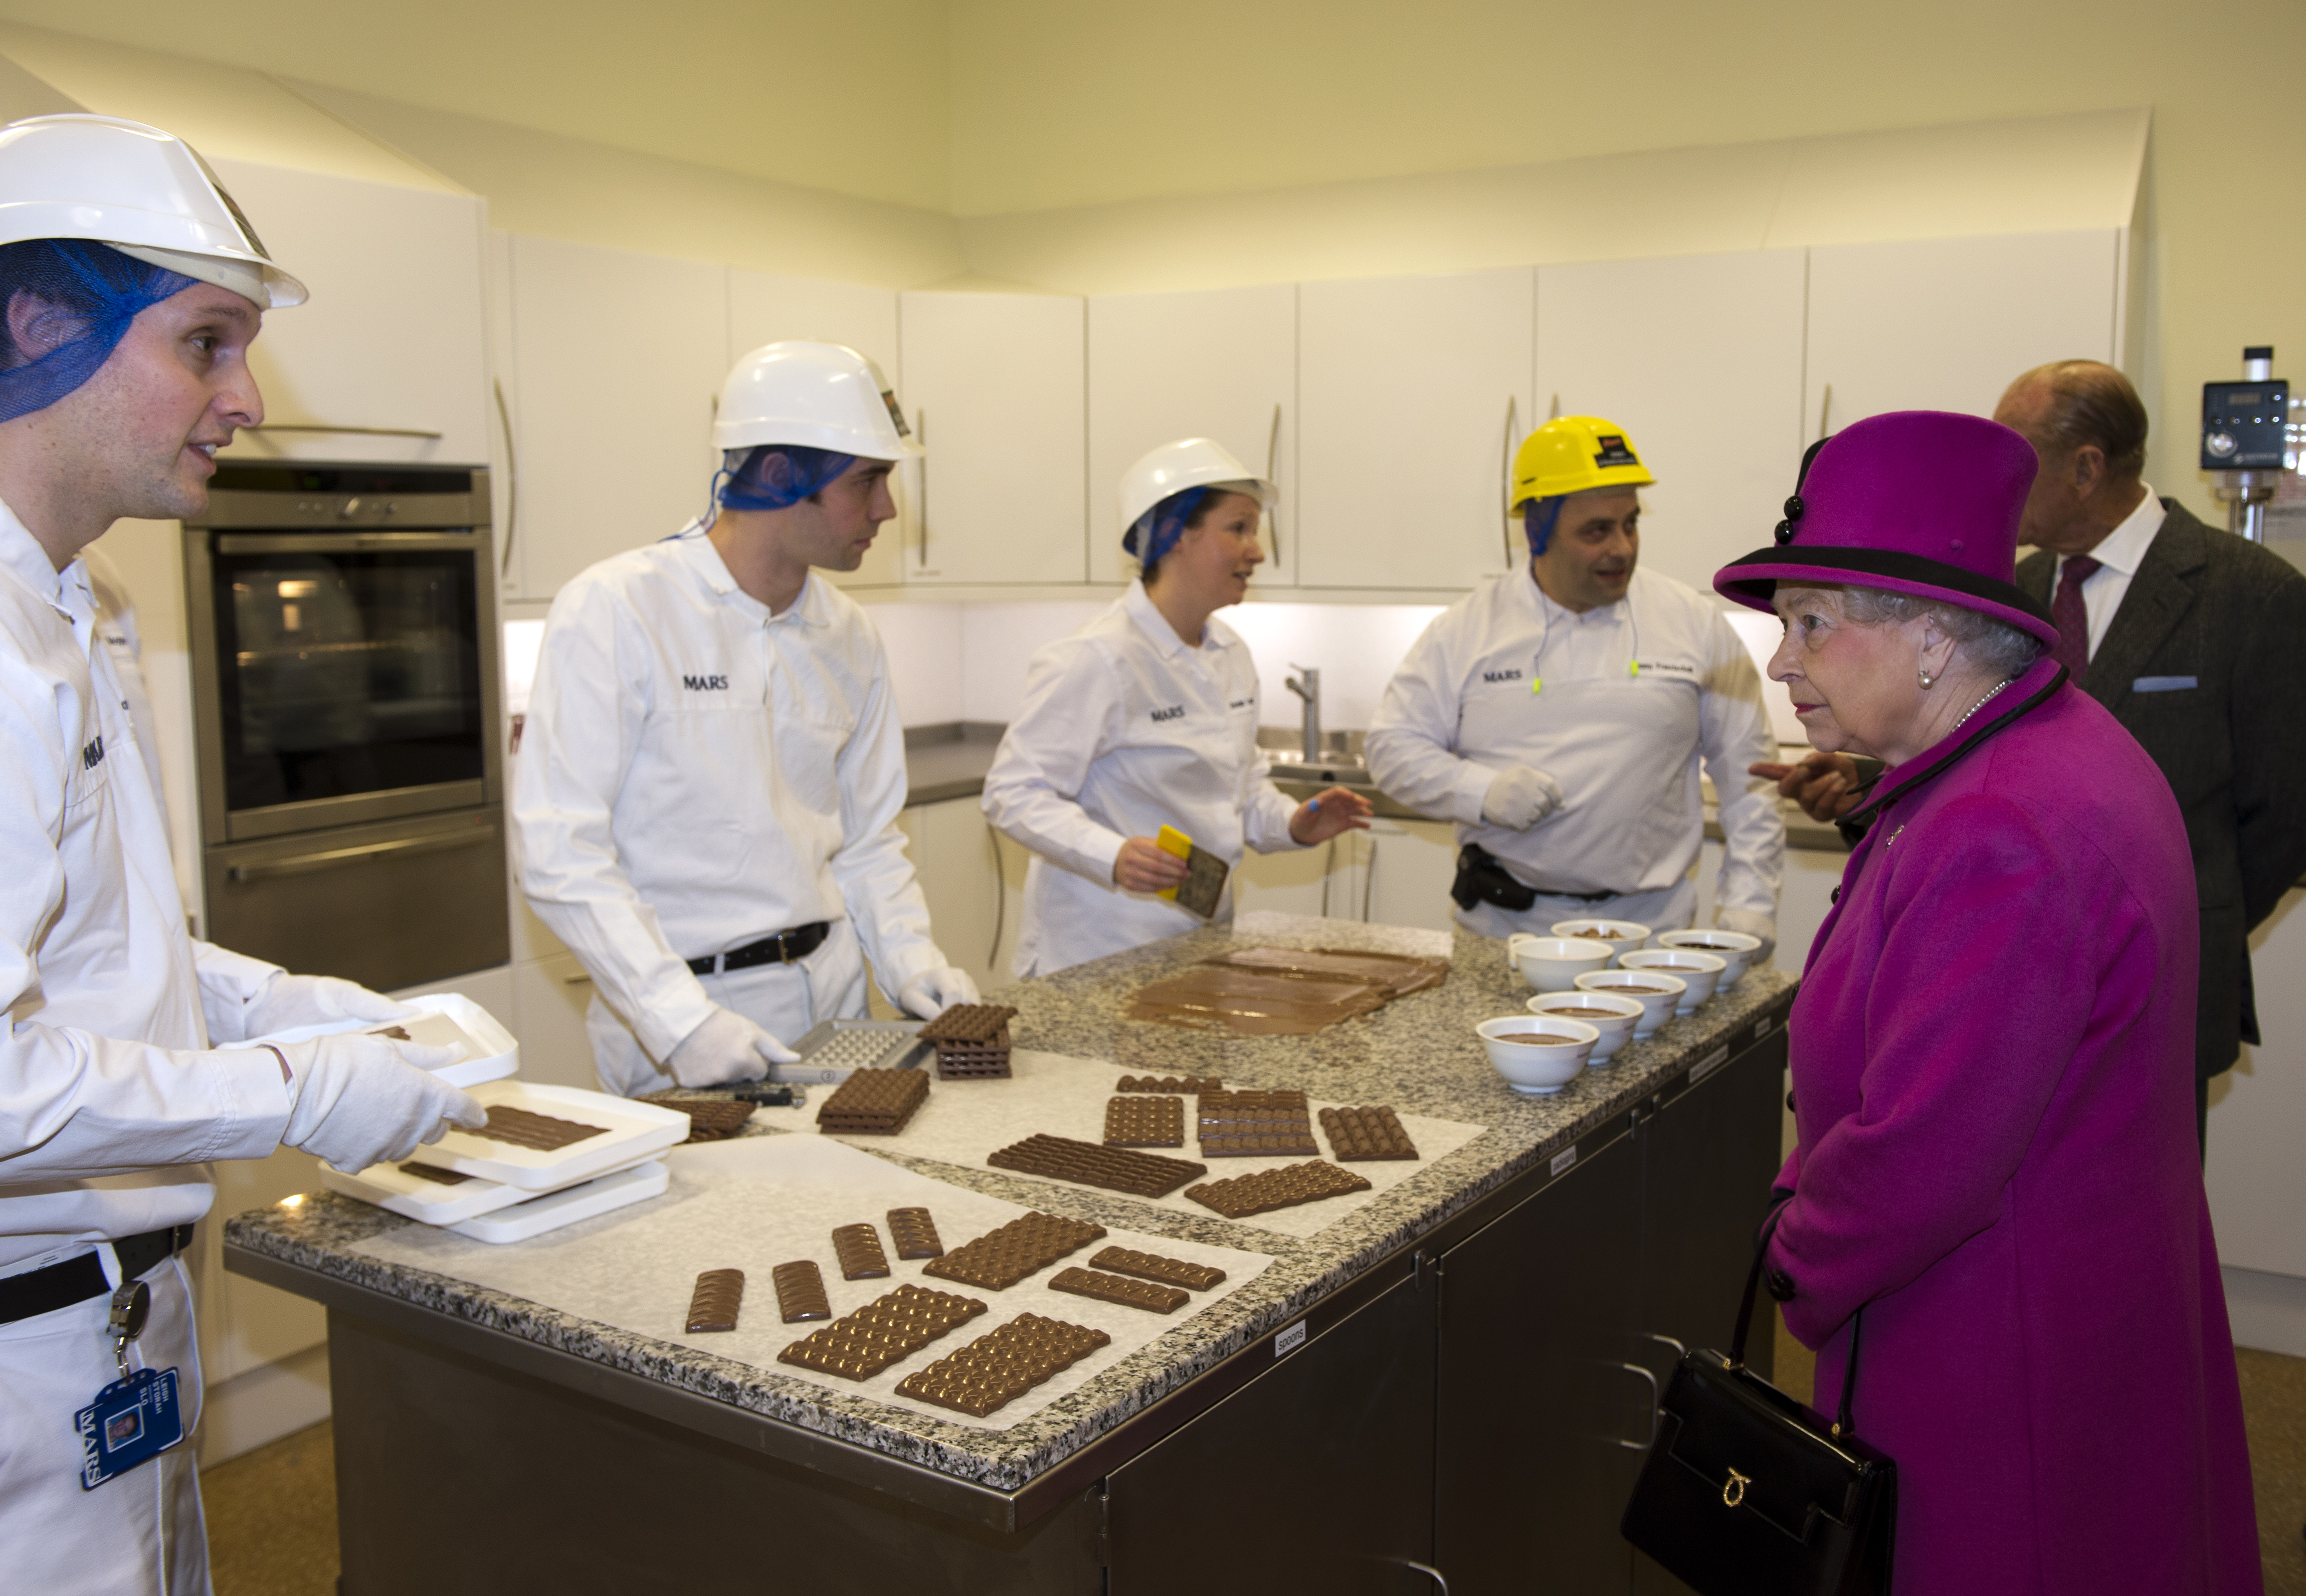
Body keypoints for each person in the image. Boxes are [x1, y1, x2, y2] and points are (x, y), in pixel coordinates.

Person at [0, 114, 486, 1595]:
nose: (246, 397)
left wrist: (273, 998)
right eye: (206, 342)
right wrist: (297, 1085)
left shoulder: (79, 612)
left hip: (116, 1316)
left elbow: (87, 941)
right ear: (31, 322)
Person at [1715, 409, 2259, 1592]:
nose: (1781, 658)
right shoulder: (2036, 749)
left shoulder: (2000, 825)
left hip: (1993, 1338)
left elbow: (1926, 1148)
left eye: (1810, 620)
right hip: (2070, 1295)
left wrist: (1789, 1246)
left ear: (1926, 636)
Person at [1754, 361, 2306, 1153]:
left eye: (2021, 450)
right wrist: (1871, 778)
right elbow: (1974, 742)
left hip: (2144, 970)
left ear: (2086, 467)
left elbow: (2285, 808)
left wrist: (2150, 910)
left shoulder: (2250, 593)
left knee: (2104, 1196)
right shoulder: (2006, 587)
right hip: (2004, 969)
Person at [515, 341, 980, 1095]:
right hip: (685, 1018)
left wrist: (911, 961)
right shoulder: (619, 609)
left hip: (835, 1001)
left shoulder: (850, 634)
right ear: (776, 476)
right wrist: (681, 1024)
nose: (887, 509)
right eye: (868, 480)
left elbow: (866, 842)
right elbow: (560, 849)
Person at [1365, 415, 1782, 952]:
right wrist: (1480, 792)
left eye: (1629, 523)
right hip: (1503, 934)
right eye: (1595, 531)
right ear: (1536, 532)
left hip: (1654, 937)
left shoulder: (1691, 621)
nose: (1622, 548)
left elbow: (1750, 773)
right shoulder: (1466, 630)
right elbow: (1390, 748)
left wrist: (1750, 904)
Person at [982, 438, 1371, 974]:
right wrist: (1111, 854)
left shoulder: (1230, 653)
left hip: (1200, 943)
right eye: (1237, 528)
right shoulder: (1097, 657)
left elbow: (1241, 788)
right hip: (1096, 951)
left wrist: (1295, 823)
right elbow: (1012, 792)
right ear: (1173, 534)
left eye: (1254, 531)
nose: (1256, 551)